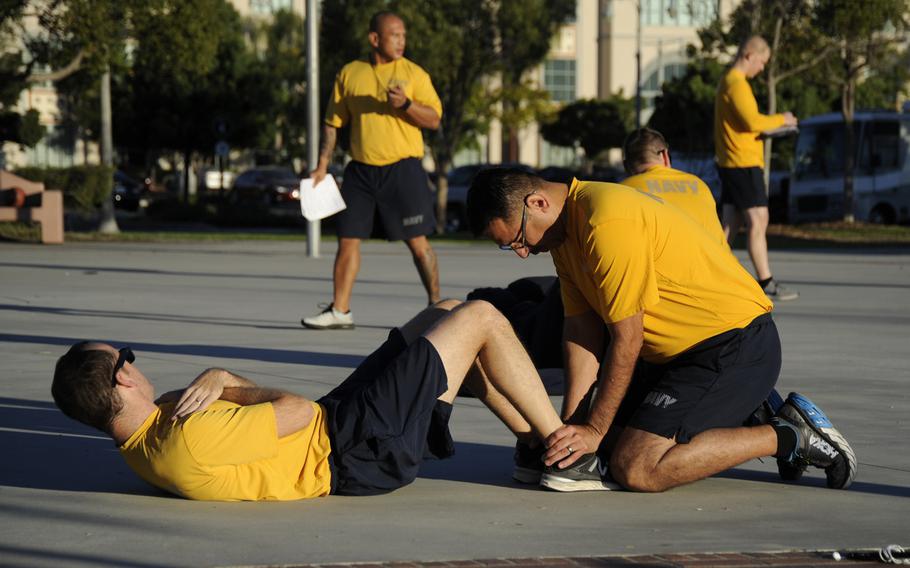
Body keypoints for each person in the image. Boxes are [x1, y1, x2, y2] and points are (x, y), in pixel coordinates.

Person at [466, 168, 857, 492]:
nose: (521, 252)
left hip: (733, 344)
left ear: (537, 203)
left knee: (636, 467)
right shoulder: (563, 237)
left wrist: (595, 428)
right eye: (509, 247)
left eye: (517, 239)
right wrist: (571, 429)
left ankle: (788, 434)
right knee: (601, 451)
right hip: (672, 358)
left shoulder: (605, 220)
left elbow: (627, 337)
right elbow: (582, 332)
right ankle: (750, 411)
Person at [51, 300, 625, 501]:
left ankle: (532, 450)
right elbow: (297, 410)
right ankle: (567, 451)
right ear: (124, 380)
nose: (138, 363)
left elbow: (195, 402)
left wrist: (212, 385)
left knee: (443, 314)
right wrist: (224, 378)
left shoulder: (144, 437)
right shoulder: (186, 438)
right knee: (481, 318)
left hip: (340, 427)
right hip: (352, 449)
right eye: (128, 356)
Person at [303, 11, 443, 330]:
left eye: (403, 35)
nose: (401, 40)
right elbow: (332, 123)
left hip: (403, 168)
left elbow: (434, 119)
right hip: (361, 171)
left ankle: (436, 305)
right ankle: (340, 311)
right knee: (347, 239)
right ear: (374, 39)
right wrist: (322, 165)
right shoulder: (351, 73)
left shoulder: (414, 74)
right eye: (394, 35)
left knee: (418, 242)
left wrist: (406, 104)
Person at [715, 35, 799, 301]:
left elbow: (745, 125)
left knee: (730, 225)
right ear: (749, 56)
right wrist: (782, 120)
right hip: (742, 163)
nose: (762, 68)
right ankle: (766, 281)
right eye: (761, 62)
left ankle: (710, 277)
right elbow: (752, 121)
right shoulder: (736, 84)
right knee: (758, 219)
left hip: (736, 161)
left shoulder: (731, 82)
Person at [622, 127, 727, 248]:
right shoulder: (699, 185)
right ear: (665, 155)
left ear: (626, 166)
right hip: (720, 265)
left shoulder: (625, 191)